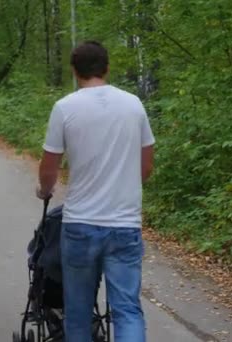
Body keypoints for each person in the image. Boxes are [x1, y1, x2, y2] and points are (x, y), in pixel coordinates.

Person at [37, 41, 155, 342]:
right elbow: (146, 167)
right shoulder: (133, 105)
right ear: (107, 67)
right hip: (125, 225)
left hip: (80, 225)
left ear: (75, 71)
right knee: (127, 310)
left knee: (77, 312)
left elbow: (49, 166)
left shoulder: (65, 107)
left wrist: (44, 190)